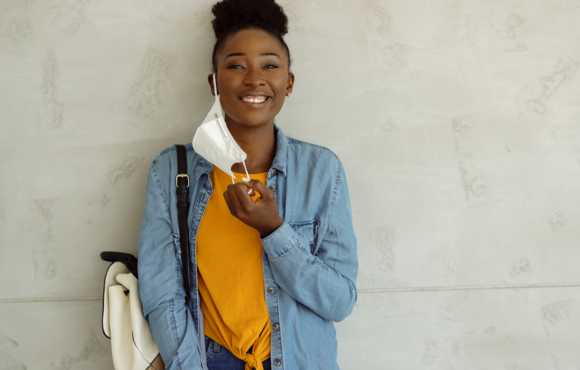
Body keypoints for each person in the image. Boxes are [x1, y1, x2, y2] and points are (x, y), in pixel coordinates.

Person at [137, 0, 358, 369]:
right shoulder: (172, 171)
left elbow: (339, 302)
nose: (255, 78)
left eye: (270, 65)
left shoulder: (322, 171)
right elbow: (162, 293)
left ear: (288, 83)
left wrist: (273, 230)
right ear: (214, 82)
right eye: (236, 65)